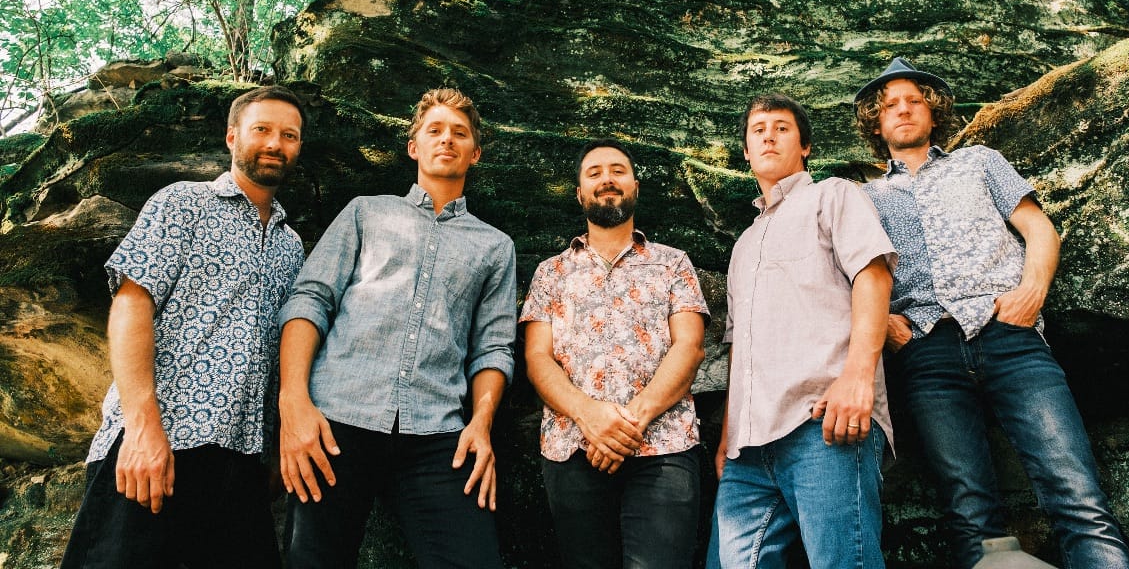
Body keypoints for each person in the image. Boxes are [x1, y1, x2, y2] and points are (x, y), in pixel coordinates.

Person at [854, 57, 1129, 569]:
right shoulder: (863, 198)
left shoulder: (980, 161)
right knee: (969, 513)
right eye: (889, 104)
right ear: (876, 121)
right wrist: (884, 324)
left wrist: (1032, 291)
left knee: (1077, 495)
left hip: (1010, 337)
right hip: (928, 352)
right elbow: (854, 274)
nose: (903, 109)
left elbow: (1039, 229)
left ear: (933, 112)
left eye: (914, 100)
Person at [60, 85, 307, 569]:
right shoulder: (183, 203)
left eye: (289, 135)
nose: (275, 143)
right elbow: (132, 305)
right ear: (232, 136)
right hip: (160, 444)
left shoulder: (292, 246)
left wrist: (276, 447)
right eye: (262, 130)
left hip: (240, 463)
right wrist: (142, 429)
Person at [277, 87, 517, 569]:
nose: (446, 140)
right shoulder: (366, 212)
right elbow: (310, 299)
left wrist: (482, 424)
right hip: (335, 420)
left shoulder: (495, 246)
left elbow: (494, 347)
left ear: (476, 152)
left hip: (436, 434)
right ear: (414, 147)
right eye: (434, 130)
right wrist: (293, 403)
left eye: (459, 133)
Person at [707, 93, 896, 569]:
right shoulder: (744, 245)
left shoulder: (834, 195)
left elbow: (873, 277)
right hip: (747, 451)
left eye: (782, 127)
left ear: (806, 145)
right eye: (757, 129)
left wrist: (858, 380)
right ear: (746, 152)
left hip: (825, 424)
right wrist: (728, 435)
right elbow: (738, 345)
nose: (768, 134)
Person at [522, 138, 710, 569]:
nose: (607, 179)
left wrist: (630, 423)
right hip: (573, 447)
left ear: (636, 186)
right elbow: (537, 357)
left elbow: (691, 345)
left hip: (664, 446)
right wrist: (590, 416)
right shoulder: (550, 273)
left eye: (618, 170)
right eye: (594, 173)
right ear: (579, 193)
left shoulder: (674, 263)